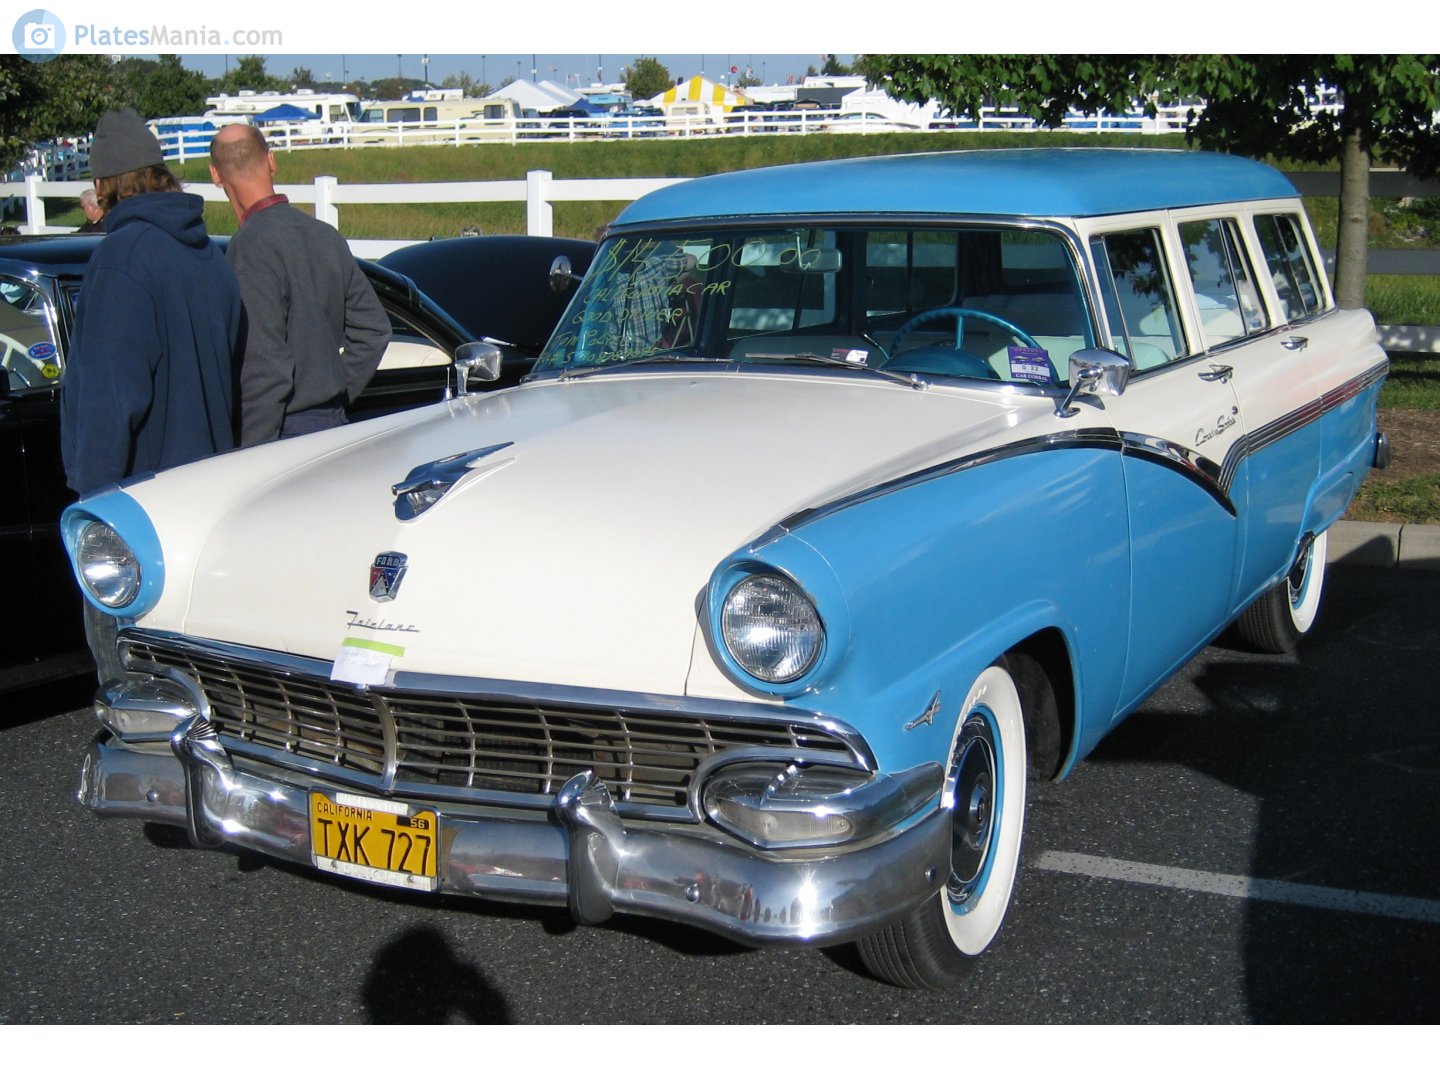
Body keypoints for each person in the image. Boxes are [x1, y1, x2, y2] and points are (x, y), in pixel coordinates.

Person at [60, 108, 242, 683]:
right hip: (205, 497)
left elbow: (112, 397)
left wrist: (94, 507)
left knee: (135, 693)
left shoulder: (124, 258)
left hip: (138, 510)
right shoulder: (209, 255)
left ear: (102, 186)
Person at [208, 124, 390, 445]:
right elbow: (374, 330)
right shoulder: (324, 235)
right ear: (272, 161)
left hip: (281, 430)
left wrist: (250, 455)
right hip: (331, 422)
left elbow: (265, 368)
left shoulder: (249, 249)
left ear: (215, 175)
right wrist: (332, 390)